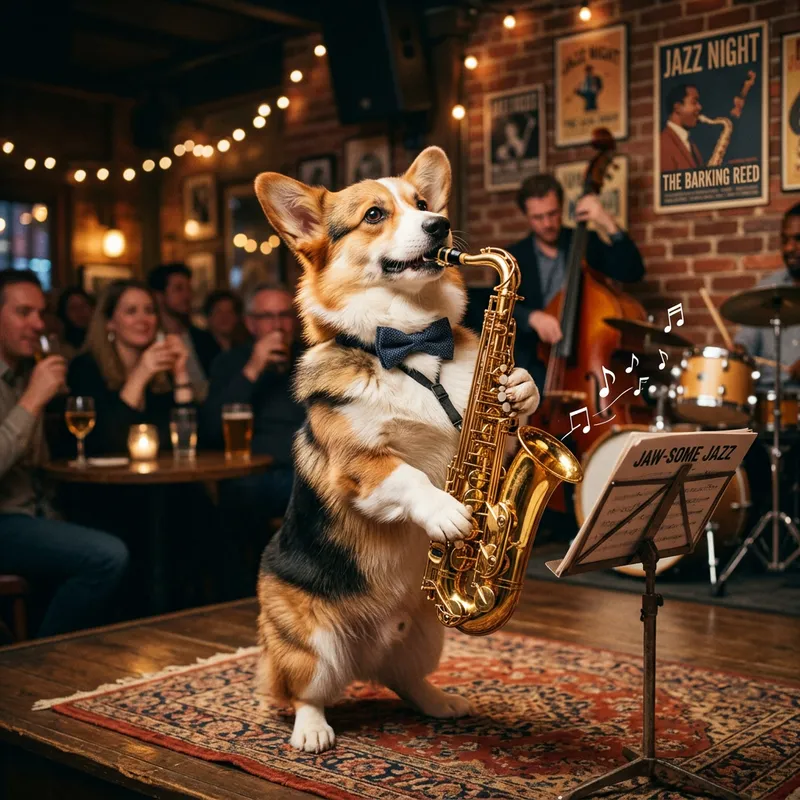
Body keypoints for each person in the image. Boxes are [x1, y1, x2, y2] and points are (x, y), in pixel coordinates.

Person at [0, 269, 128, 638]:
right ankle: (43, 655)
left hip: (37, 510)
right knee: (107, 556)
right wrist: (33, 399)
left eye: (40, 313)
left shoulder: (25, 373)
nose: (38, 324)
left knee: (120, 524)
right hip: (6, 519)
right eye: (23, 313)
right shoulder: (30, 384)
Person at [498, 174, 645, 393]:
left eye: (552, 214)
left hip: (588, 358)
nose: (547, 223)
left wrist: (607, 221)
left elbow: (633, 272)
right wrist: (531, 317)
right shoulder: (513, 257)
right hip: (536, 365)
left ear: (562, 208)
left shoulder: (586, 242)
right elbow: (500, 309)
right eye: (538, 217)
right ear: (526, 216)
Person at [202, 283, 306, 594]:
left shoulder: (312, 358)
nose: (277, 325)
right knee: (235, 500)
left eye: (284, 315)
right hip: (249, 474)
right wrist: (254, 367)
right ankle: (238, 600)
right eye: (266, 317)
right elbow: (210, 431)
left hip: (303, 472)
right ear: (250, 323)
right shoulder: (231, 362)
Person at [67, 280, 195, 456]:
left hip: (160, 471)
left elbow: (190, 442)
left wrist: (180, 373)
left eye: (149, 311)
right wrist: (141, 373)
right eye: (131, 311)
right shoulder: (85, 368)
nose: (143, 319)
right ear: (109, 322)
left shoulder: (161, 372)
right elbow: (107, 442)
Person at [735, 202, 800, 387]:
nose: (789, 248)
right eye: (785, 240)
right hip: (766, 396)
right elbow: (747, 339)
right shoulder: (768, 289)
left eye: (798, 239)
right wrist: (740, 349)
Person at [147, 263, 220, 401]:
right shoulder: (150, 342)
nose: (187, 295)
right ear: (159, 296)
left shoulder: (203, 338)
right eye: (179, 289)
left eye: (189, 289)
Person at [660, 84, 705, 172]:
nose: (700, 107)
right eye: (694, 102)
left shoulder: (691, 144)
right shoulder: (663, 143)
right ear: (677, 107)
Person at [56, 286, 94, 360]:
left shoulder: (100, 339)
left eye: (84, 305)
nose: (80, 311)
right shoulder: (62, 349)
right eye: (73, 308)